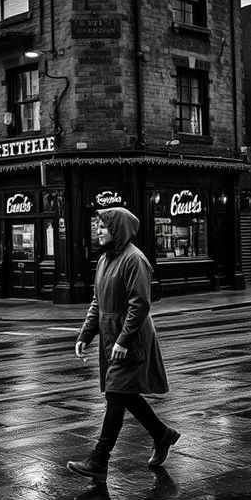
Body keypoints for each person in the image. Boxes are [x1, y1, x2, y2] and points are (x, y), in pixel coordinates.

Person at [67, 207, 179, 483]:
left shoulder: (134, 260)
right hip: (112, 337)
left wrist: (123, 339)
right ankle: (162, 435)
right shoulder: (105, 260)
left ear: (118, 229)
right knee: (124, 393)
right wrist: (85, 335)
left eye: (104, 226)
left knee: (116, 395)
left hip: (130, 337)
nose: (98, 230)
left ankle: (99, 460)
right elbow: (98, 302)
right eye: (97, 226)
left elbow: (139, 305)